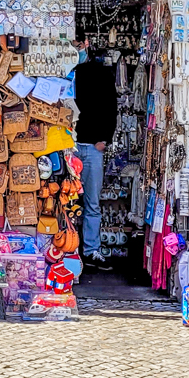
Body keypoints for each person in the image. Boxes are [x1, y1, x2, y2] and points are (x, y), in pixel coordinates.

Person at [72, 45, 118, 260]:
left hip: (88, 145)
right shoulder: (71, 73)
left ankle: (89, 250)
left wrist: (105, 139)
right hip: (75, 145)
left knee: (89, 202)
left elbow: (111, 108)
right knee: (83, 202)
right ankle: (75, 247)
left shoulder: (95, 75)